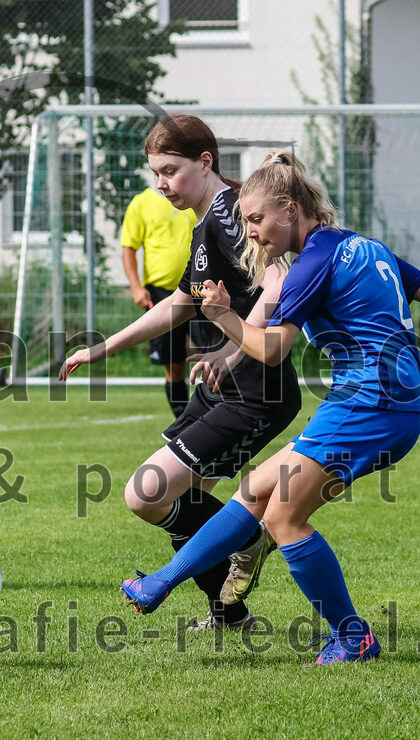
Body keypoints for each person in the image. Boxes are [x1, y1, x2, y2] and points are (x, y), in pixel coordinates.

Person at [120, 151, 420, 664]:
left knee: (285, 520)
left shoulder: (314, 260)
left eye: (256, 219)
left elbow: (270, 350)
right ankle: (159, 584)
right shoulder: (361, 245)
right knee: (255, 491)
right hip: (388, 404)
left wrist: (222, 316)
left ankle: (353, 637)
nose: (252, 233)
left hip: (369, 404)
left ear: (290, 209)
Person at [61, 116, 301, 630]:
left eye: (171, 170)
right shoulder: (209, 218)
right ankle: (228, 613)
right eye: (156, 174)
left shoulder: (233, 212)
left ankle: (251, 537)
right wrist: (103, 348)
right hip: (226, 387)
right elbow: (182, 303)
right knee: (178, 497)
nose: (163, 184)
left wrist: (235, 352)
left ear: (205, 161)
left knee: (145, 493)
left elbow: (279, 279)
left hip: (256, 391)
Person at [120, 186, 196, 417]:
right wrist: (136, 287)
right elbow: (128, 248)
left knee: (214, 352)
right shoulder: (142, 202)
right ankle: (182, 417)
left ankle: (215, 411)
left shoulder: (195, 196)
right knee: (173, 361)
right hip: (161, 293)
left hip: (202, 288)